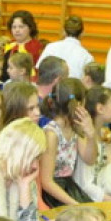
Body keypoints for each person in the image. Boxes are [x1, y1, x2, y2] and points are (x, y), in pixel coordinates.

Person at [40, 78, 96, 206]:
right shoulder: (52, 133)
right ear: (81, 104)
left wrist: (91, 135)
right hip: (53, 193)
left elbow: (90, 159)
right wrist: (74, 204)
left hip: (69, 185)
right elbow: (46, 181)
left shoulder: (75, 127)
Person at [38, 15, 93, 79]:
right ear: (82, 33)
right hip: (74, 88)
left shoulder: (50, 47)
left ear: (63, 31)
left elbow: (40, 69)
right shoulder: (87, 56)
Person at [1, 10, 43, 81]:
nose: (17, 30)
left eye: (21, 27)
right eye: (14, 27)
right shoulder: (9, 46)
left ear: (30, 28)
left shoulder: (37, 47)